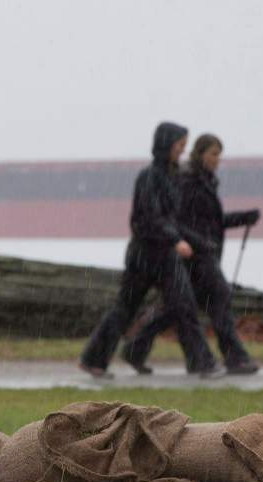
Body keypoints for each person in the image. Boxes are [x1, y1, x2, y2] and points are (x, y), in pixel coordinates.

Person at [79, 122, 223, 379]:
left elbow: (174, 220)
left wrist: (200, 243)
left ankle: (200, 363)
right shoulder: (149, 177)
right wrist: (174, 240)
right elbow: (147, 219)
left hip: (163, 253)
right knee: (130, 308)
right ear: (166, 144)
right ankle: (94, 360)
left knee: (180, 306)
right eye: (179, 146)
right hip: (148, 254)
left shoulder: (171, 177)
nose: (182, 151)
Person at [121, 133, 261, 375]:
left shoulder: (205, 181)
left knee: (176, 307)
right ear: (201, 153)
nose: (218, 159)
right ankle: (233, 357)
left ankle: (135, 348)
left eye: (220, 155)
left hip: (201, 252)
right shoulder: (188, 181)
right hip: (193, 254)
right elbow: (178, 221)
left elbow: (211, 222)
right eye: (214, 154)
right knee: (219, 297)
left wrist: (242, 218)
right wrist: (197, 243)